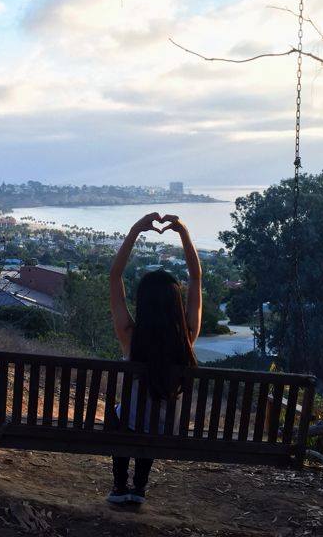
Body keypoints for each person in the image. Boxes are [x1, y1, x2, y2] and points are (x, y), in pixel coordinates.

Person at [105, 212, 202, 506]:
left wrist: (135, 229)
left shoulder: (130, 336)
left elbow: (114, 277)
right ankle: (140, 487)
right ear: (176, 303)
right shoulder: (187, 338)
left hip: (128, 426)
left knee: (121, 415)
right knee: (152, 420)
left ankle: (120, 486)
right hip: (162, 429)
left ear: (143, 302)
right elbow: (196, 277)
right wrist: (184, 231)